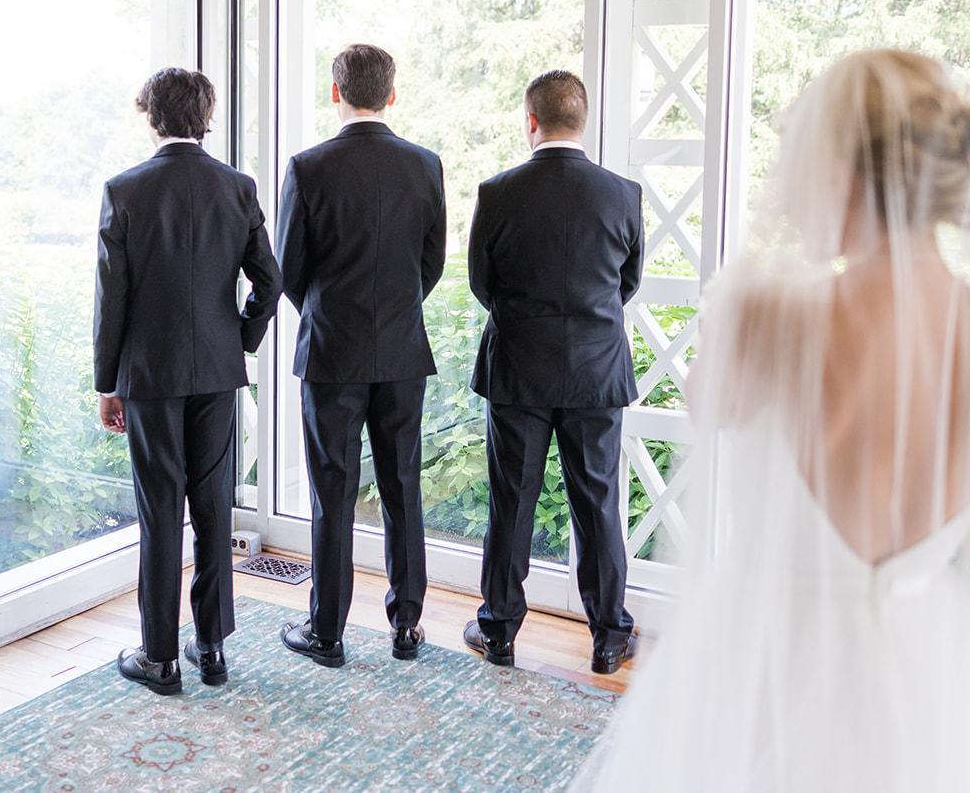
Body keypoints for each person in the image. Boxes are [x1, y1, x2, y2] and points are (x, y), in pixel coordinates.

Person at [573, 50, 970, 791]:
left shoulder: (770, 313)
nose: (785, 195)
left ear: (844, 174)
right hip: (926, 668)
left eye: (800, 162)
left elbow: (711, 407)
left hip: (769, 657)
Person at [94, 67, 281, 696]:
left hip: (150, 375)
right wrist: (240, 338)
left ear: (153, 117)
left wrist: (107, 382)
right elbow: (270, 281)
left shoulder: (124, 190)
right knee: (213, 510)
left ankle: (159, 658)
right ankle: (213, 648)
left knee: (160, 514)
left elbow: (112, 299)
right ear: (206, 118)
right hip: (218, 374)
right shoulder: (237, 186)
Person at [464, 70, 644, 675]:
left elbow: (482, 283)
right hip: (596, 372)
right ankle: (609, 637)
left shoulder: (498, 193)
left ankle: (499, 631)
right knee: (598, 504)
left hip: (519, 369)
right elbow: (626, 283)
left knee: (511, 503)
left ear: (530, 121)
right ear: (583, 120)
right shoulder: (623, 195)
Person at [275, 43, 446, 666]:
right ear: (391, 94)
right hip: (402, 351)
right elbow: (431, 263)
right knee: (403, 488)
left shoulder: (307, 168)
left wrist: (327, 311)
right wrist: (395, 310)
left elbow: (288, 269)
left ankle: (327, 632)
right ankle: (407, 627)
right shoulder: (426, 166)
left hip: (330, 354)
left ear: (335, 92)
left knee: (333, 493)